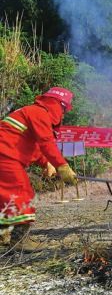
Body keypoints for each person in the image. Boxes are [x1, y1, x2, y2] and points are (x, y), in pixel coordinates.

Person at [0, 87, 77, 251]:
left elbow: (32, 148)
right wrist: (62, 166)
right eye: (64, 110)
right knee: (21, 193)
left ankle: (5, 233)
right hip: (5, 156)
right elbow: (46, 143)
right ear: (58, 104)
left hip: (6, 155)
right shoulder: (40, 113)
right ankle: (20, 240)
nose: (63, 114)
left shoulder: (31, 112)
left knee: (7, 197)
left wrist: (46, 164)